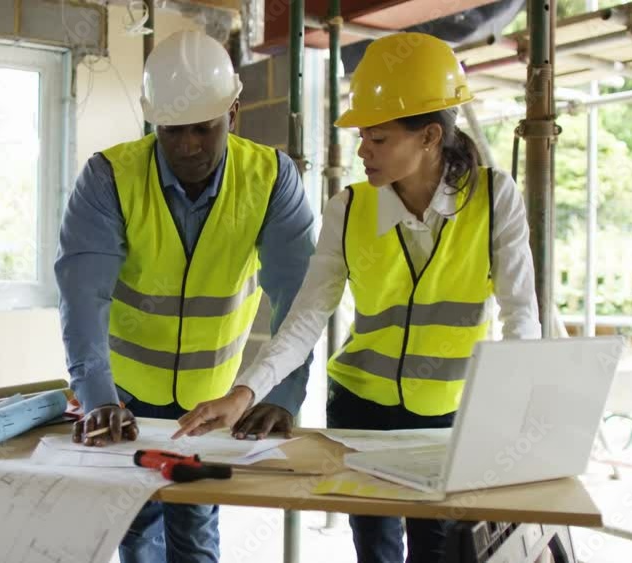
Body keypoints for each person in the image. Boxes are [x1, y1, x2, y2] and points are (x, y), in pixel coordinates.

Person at [175, 32, 542, 563]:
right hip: (360, 411)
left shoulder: (494, 198)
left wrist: (512, 413)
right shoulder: (347, 210)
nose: (362, 151)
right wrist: (245, 392)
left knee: (440, 552)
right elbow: (304, 320)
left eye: (379, 138)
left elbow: (521, 315)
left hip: (449, 417)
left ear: (429, 137)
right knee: (375, 551)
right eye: (362, 137)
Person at [54, 30, 315, 563]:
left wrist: (281, 397)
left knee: (194, 536)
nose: (189, 146)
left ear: (233, 114)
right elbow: (83, 296)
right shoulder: (109, 179)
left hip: (210, 401)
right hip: (125, 394)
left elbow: (300, 301)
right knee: (134, 533)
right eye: (173, 131)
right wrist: (98, 395)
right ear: (153, 120)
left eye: (204, 128)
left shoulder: (271, 179)